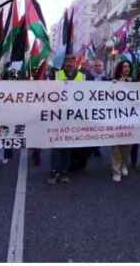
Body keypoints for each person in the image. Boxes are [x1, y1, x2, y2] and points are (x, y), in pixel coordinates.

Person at [48, 56, 84, 185]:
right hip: (57, 116)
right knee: (56, 145)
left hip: (73, 117)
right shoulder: (56, 75)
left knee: (68, 146)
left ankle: (64, 172)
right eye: (67, 61)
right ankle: (53, 171)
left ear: (76, 63)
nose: (70, 64)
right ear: (64, 63)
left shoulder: (82, 77)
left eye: (72, 62)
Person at [109, 60, 133, 182]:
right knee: (117, 145)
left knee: (127, 146)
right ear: (120, 68)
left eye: (128, 66)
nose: (126, 68)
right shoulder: (114, 82)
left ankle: (124, 164)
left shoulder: (134, 82)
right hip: (117, 118)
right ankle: (116, 170)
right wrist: (112, 85)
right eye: (124, 66)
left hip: (130, 118)